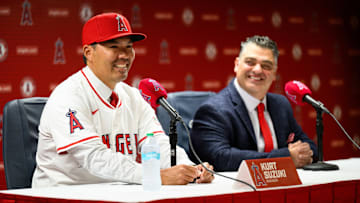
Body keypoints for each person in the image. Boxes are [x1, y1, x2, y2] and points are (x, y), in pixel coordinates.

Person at [32, 12, 214, 187]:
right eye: (114, 46)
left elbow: (157, 142)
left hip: (115, 193)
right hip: (63, 194)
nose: (124, 55)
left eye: (128, 47)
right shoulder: (68, 96)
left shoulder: (132, 96)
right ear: (88, 52)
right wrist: (154, 176)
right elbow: (94, 157)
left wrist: (191, 169)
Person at [190, 35, 317, 171]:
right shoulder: (213, 110)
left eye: (266, 65)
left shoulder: (281, 105)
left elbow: (309, 147)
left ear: (274, 73)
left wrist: (302, 154)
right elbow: (220, 158)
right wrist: (285, 158)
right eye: (250, 62)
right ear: (236, 65)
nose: (257, 70)